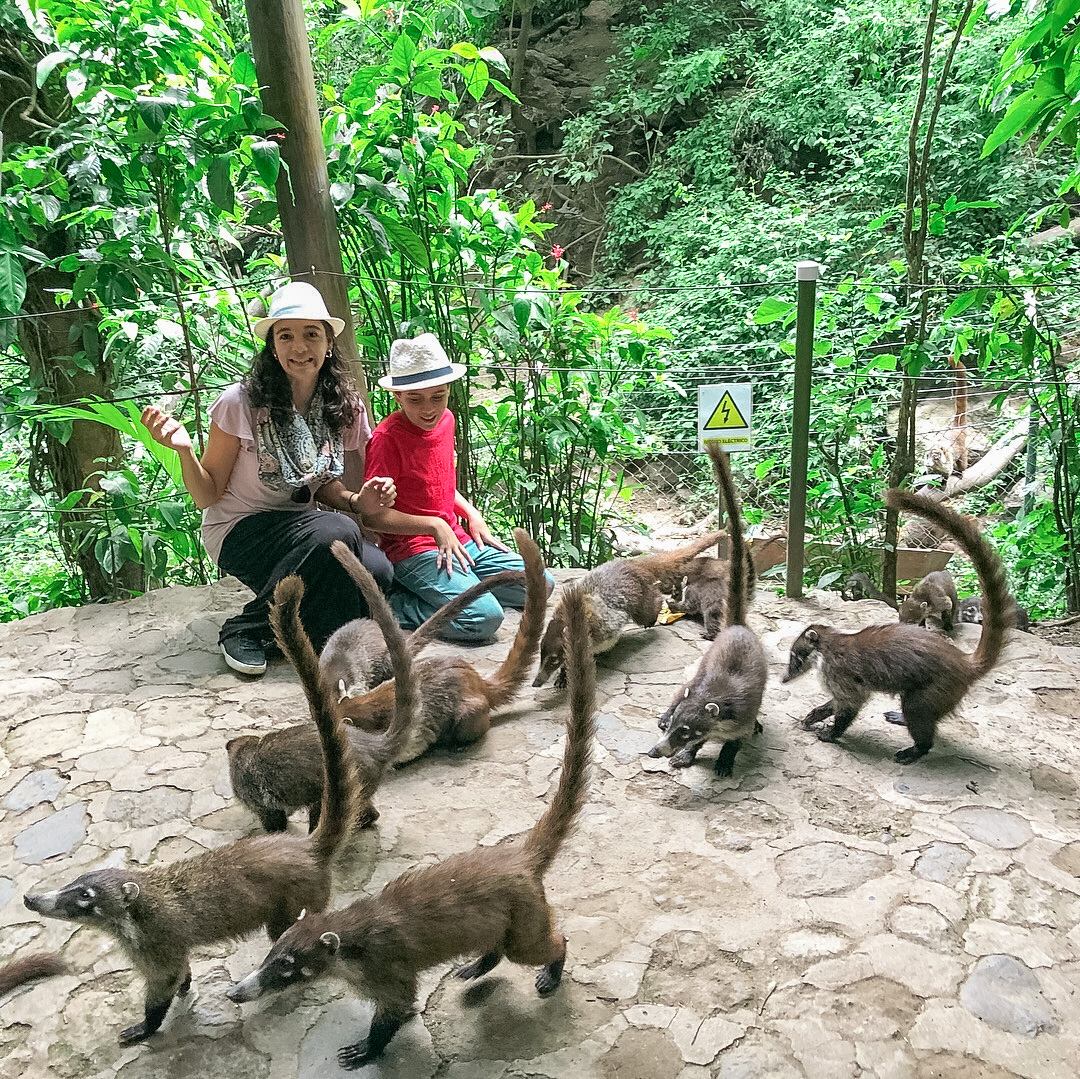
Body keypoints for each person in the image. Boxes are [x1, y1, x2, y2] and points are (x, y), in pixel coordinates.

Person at [141, 281, 396, 676]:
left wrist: (358, 503)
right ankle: (245, 628)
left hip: (304, 532)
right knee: (338, 533)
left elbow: (323, 485)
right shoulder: (239, 403)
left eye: (311, 334)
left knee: (377, 571)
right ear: (272, 346)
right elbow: (207, 495)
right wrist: (184, 451)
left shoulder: (344, 406)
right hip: (240, 531)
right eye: (286, 335)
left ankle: (304, 638)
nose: (299, 347)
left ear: (328, 342)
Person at [362, 333, 554, 641]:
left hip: (457, 539)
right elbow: (372, 517)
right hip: (413, 550)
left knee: (541, 583)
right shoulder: (386, 439)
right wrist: (435, 526)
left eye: (438, 397)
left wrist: (471, 512)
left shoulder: (447, 420)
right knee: (483, 618)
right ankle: (395, 606)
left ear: (449, 390)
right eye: (415, 399)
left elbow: (439, 482)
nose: (429, 409)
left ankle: (455, 589)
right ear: (397, 395)